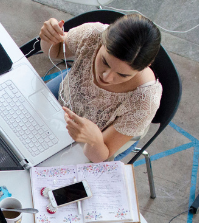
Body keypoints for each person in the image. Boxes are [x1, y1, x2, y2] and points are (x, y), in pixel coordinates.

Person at [38, 14, 162, 163]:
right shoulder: (92, 35)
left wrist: (93, 140)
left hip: (100, 140)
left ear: (143, 68)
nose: (106, 77)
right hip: (66, 94)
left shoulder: (144, 101)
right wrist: (48, 38)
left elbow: (100, 156)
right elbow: (56, 51)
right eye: (105, 62)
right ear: (101, 41)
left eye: (122, 75)